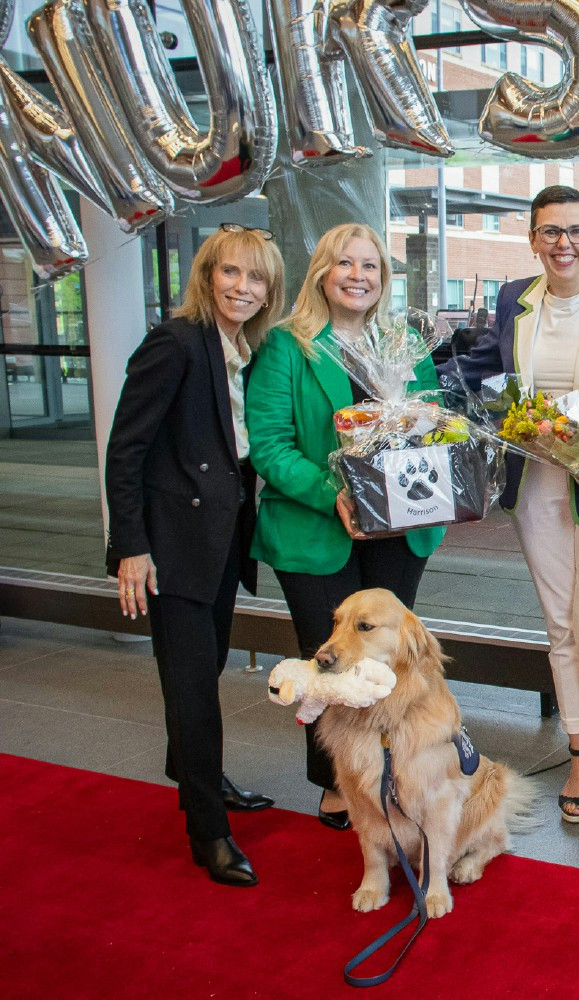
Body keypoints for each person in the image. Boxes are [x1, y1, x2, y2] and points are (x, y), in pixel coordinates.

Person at [443, 186, 579, 826]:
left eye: (575, 231)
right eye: (549, 231)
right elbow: (487, 370)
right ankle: (576, 750)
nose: (562, 243)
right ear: (533, 238)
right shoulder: (515, 299)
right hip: (536, 486)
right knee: (560, 625)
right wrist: (443, 395)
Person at [245, 223, 445, 828]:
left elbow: (432, 423)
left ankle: (388, 768)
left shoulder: (404, 341)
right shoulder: (288, 346)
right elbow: (270, 447)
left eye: (372, 267)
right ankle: (336, 782)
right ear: (322, 274)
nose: (359, 276)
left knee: (383, 660)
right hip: (317, 531)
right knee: (331, 663)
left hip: (399, 529)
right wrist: (339, 494)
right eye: (346, 264)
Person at [105, 222, 286, 886]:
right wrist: (131, 547)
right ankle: (208, 829)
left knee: (203, 668)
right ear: (207, 275)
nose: (242, 286)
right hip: (174, 546)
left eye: (257, 276)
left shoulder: (243, 347)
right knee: (192, 688)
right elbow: (125, 450)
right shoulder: (175, 342)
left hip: (219, 540)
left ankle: (193, 772)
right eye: (230, 272)